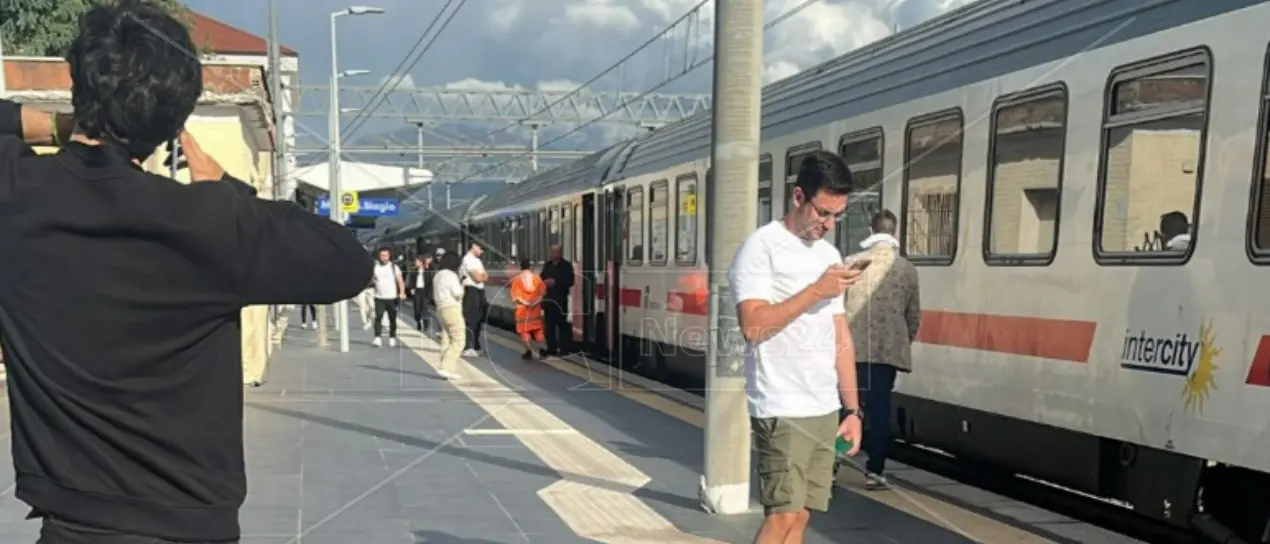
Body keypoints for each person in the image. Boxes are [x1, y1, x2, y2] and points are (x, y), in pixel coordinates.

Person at [0, 2, 372, 542]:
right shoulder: (208, 222)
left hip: (66, 526)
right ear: (174, 122)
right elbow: (346, 261)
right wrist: (229, 190)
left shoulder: (15, 197)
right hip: (188, 528)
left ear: (79, 88)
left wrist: (59, 123)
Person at [728, 150, 864, 544]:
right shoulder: (760, 248)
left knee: (802, 515)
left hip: (824, 405)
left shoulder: (829, 254)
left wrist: (853, 409)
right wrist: (816, 290)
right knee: (782, 515)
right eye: (824, 212)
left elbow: (840, 335)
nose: (830, 224)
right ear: (798, 197)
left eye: (837, 215)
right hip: (781, 405)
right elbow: (753, 326)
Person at [842, 209, 921, 490]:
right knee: (879, 411)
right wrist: (902, 341)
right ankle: (875, 472)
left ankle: (833, 465)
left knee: (849, 408)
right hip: (886, 356)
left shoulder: (852, 263)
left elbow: (837, 312)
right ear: (895, 232)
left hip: (851, 352)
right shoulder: (906, 269)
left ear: (870, 230)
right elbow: (914, 317)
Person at [432, 251, 465, 380]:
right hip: (452, 308)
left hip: (440, 308)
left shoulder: (437, 275)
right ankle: (446, 367)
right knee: (459, 338)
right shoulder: (451, 275)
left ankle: (446, 368)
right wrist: (462, 285)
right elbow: (458, 293)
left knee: (446, 337)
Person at [538, 244, 575, 356]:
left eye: (556, 252)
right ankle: (551, 348)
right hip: (548, 299)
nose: (554, 254)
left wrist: (556, 282)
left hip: (560, 299)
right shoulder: (547, 265)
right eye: (552, 252)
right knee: (549, 326)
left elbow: (570, 281)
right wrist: (545, 282)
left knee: (562, 324)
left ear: (560, 253)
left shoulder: (566, 266)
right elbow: (541, 278)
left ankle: (564, 349)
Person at [509, 259, 548, 360]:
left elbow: (516, 297)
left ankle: (528, 351)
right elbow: (542, 293)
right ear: (531, 267)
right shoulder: (536, 278)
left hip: (522, 311)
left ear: (521, 267)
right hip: (535, 310)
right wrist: (534, 302)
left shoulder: (517, 279)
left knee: (524, 332)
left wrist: (526, 303)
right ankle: (542, 351)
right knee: (538, 331)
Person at [371, 248, 406, 347]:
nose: (384, 258)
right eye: (382, 255)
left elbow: (400, 281)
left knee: (392, 318)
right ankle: (377, 337)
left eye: (386, 255)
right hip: (379, 297)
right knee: (378, 317)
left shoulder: (394, 267)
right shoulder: (375, 267)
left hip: (392, 297)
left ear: (389, 256)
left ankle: (392, 337)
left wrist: (402, 292)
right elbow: (372, 279)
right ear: (379, 256)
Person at [459, 242, 489, 356]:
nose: (482, 252)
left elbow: (486, 276)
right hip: (471, 291)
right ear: (474, 246)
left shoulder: (477, 260)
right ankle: (467, 346)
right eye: (481, 249)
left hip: (479, 291)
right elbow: (477, 278)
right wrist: (482, 276)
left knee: (478, 319)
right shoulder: (467, 259)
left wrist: (482, 276)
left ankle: (475, 345)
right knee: (470, 319)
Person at [406, 254, 433, 332]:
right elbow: (411, 281)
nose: (415, 263)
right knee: (417, 309)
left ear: (421, 262)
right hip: (417, 291)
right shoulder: (414, 271)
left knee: (425, 308)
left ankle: (426, 325)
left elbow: (430, 283)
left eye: (417, 261)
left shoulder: (427, 271)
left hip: (424, 291)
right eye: (415, 261)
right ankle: (418, 322)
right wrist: (411, 288)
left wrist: (430, 294)